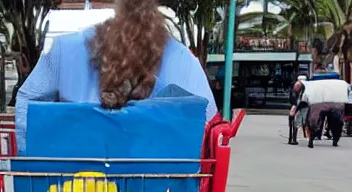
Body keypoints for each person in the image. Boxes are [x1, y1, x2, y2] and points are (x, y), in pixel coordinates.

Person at [14, 0, 217, 153]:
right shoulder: (182, 61)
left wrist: (35, 163)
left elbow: (28, 107)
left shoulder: (67, 50)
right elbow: (208, 129)